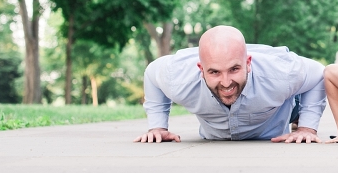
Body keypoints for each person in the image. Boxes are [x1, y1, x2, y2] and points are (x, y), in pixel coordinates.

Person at [134, 25, 326, 143]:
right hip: (220, 130)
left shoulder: (281, 71)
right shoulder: (178, 76)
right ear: (201, 69)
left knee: (292, 94)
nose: (226, 83)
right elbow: (152, 73)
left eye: (234, 69)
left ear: (248, 63)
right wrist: (158, 127)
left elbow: (318, 74)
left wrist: (307, 129)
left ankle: (295, 114)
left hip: (278, 106)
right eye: (214, 72)